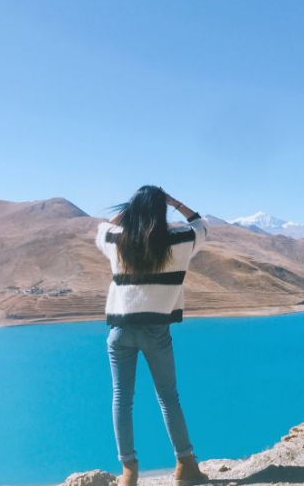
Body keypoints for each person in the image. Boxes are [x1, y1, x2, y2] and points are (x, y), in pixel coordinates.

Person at [95, 185, 211, 486]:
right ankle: (186, 466)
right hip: (157, 333)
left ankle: (129, 473)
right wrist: (175, 203)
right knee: (169, 398)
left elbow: (102, 228)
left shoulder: (117, 241)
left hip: (120, 332)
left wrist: (132, 209)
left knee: (122, 399)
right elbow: (202, 226)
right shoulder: (179, 241)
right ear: (162, 211)